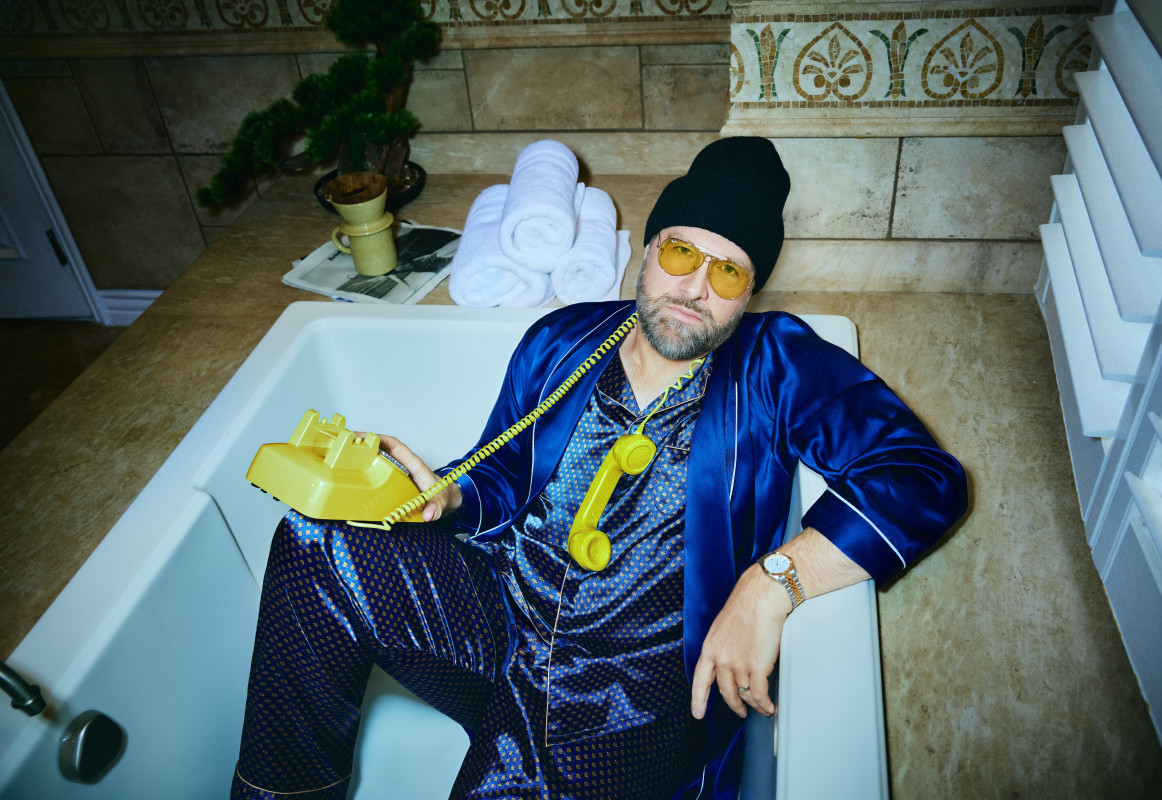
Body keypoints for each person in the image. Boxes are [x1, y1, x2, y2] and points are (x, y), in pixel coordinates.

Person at [231, 137, 967, 800]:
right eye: (680, 254)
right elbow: (503, 473)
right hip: (503, 622)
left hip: (630, 695)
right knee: (315, 542)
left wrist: (772, 583)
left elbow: (922, 478)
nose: (694, 288)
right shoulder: (561, 339)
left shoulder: (778, 363)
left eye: (727, 271)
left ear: (750, 292)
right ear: (647, 251)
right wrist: (449, 495)